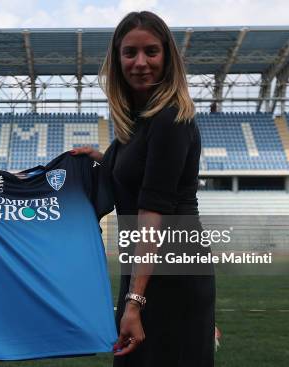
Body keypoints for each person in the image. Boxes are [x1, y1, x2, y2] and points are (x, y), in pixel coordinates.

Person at [71, 11, 215, 367]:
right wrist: (101, 158)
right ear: (117, 59)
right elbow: (137, 176)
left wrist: (134, 301)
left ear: (167, 56)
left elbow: (153, 212)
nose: (140, 62)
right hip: (151, 269)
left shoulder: (168, 118)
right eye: (129, 53)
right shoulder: (139, 120)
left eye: (151, 51)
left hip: (165, 272)